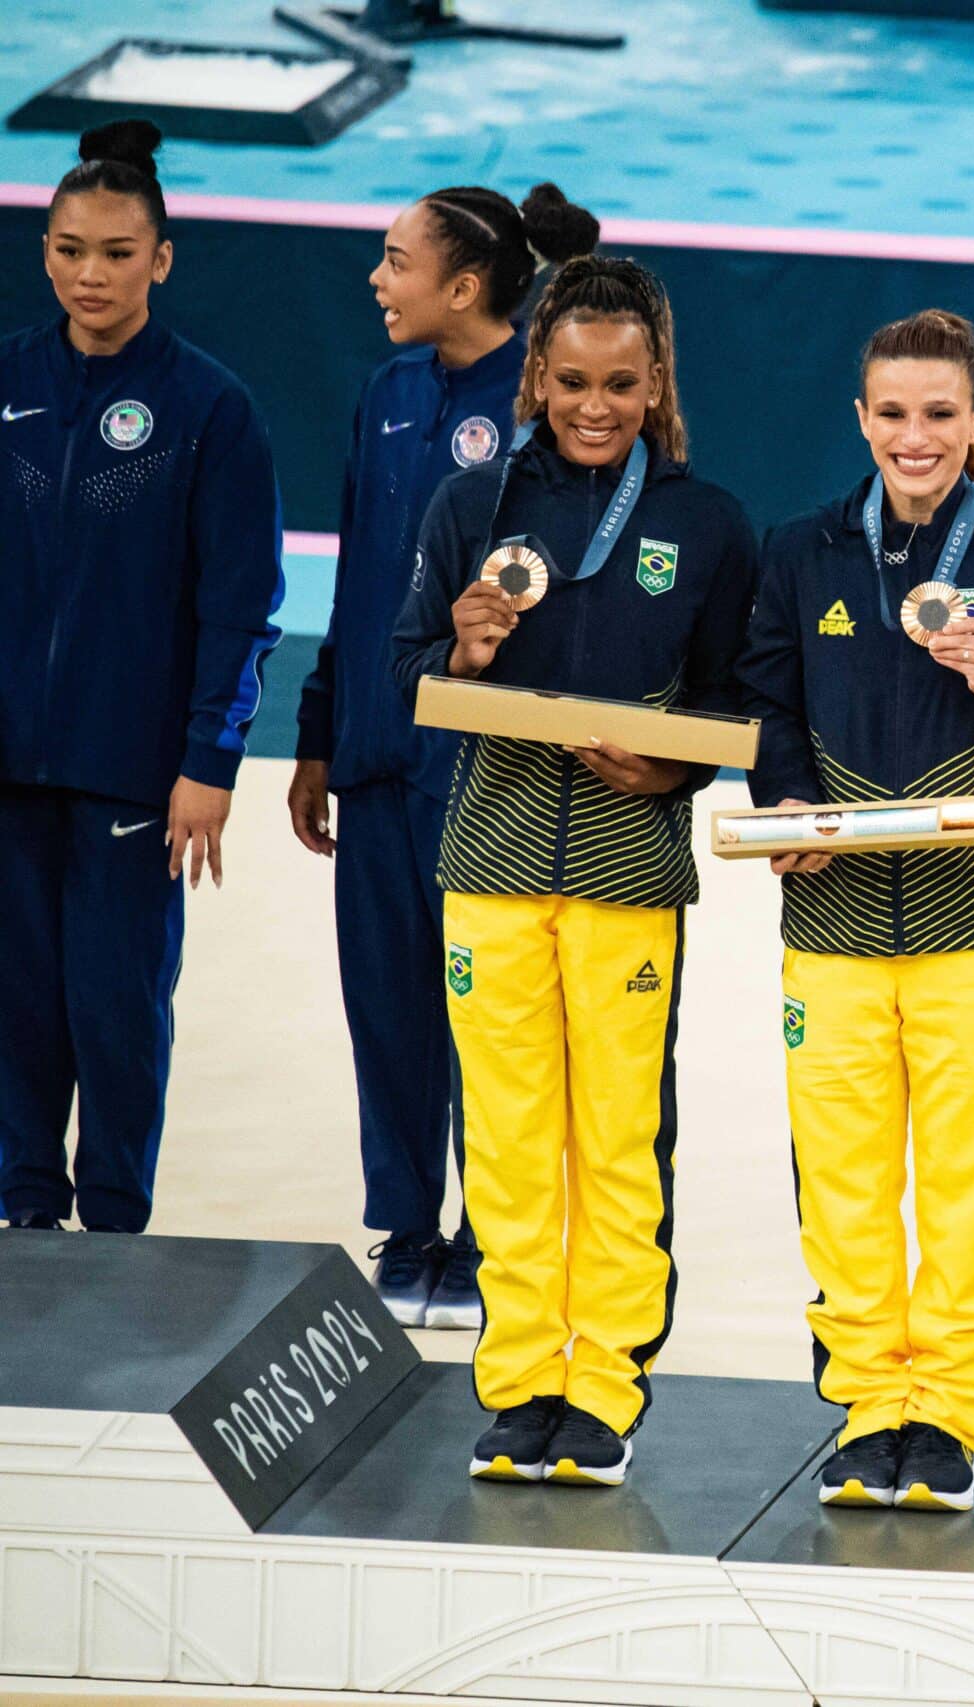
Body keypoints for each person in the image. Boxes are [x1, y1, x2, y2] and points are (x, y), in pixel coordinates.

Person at [390, 256, 756, 1487]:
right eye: (572, 382)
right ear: (536, 377)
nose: (596, 406)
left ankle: (601, 1386)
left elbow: (726, 701)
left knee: (613, 1134)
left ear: (656, 385)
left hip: (624, 869)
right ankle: (522, 1376)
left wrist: (671, 776)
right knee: (502, 1135)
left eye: (622, 383)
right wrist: (466, 644)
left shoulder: (705, 526)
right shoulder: (469, 508)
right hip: (491, 860)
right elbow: (410, 677)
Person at [737, 309, 974, 1513]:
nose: (915, 436)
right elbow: (768, 707)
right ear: (861, 420)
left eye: (940, 414)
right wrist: (785, 801)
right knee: (841, 1179)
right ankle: (865, 1406)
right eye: (892, 413)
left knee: (963, 1183)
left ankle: (945, 1413)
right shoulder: (801, 553)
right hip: (834, 923)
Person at [291, 183, 599, 1328]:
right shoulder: (381, 394)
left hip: (480, 767)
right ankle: (407, 1226)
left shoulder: (540, 411)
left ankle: (491, 1234)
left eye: (394, 261)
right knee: (389, 1003)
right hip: (376, 754)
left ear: (462, 288)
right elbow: (358, 580)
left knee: (489, 1010)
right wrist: (321, 732)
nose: (377, 280)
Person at [0, 121, 284, 1234]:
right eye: (71, 249)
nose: (91, 274)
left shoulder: (210, 410)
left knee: (115, 1005)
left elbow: (241, 604)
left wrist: (210, 760)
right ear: (45, 251)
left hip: (133, 770)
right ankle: (24, 1208)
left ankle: (115, 1217)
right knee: (17, 998)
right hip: (9, 761)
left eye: (118, 253)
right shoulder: (10, 382)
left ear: (161, 259)